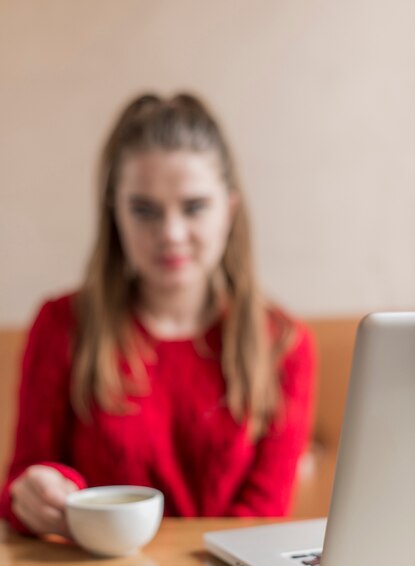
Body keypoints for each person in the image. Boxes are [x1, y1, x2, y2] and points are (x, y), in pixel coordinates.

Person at [0, 93, 316, 539]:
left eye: (193, 207)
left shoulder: (282, 344)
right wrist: (34, 493)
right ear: (115, 213)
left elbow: (265, 515)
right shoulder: (62, 325)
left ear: (229, 210)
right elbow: (25, 474)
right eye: (144, 210)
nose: (170, 234)